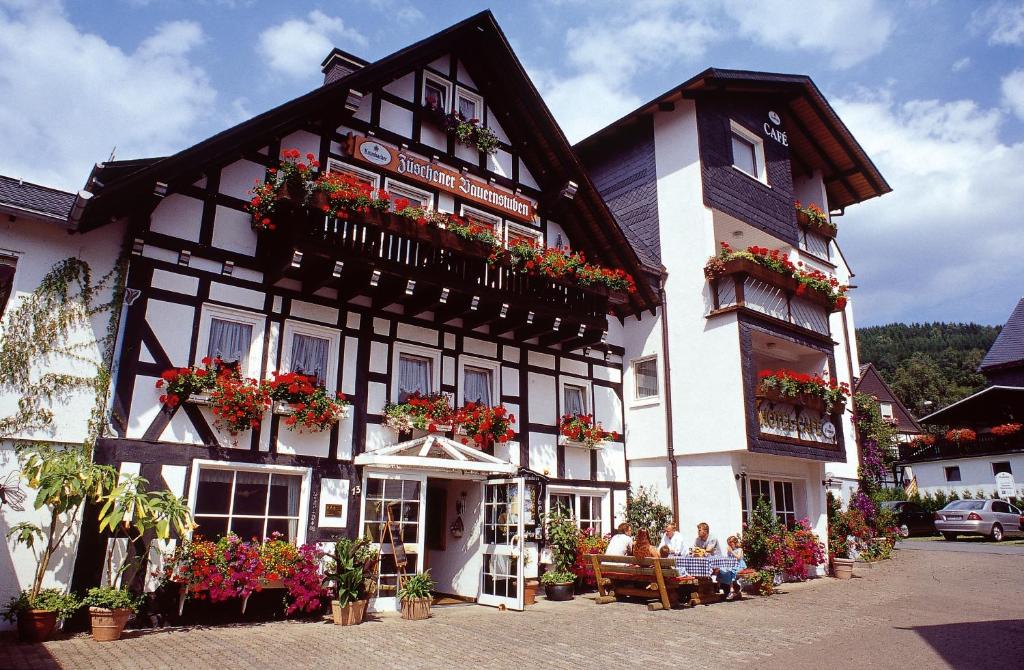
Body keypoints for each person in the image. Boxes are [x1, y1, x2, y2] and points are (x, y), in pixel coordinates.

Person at [718, 535, 747, 600]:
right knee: (722, 570)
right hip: (732, 565)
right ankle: (721, 586)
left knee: (731, 571)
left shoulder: (739, 549)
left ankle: (731, 590)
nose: (730, 545)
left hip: (739, 565)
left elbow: (738, 557)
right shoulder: (731, 550)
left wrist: (731, 551)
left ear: (735, 543)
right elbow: (729, 559)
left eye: (731, 543)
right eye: (729, 544)